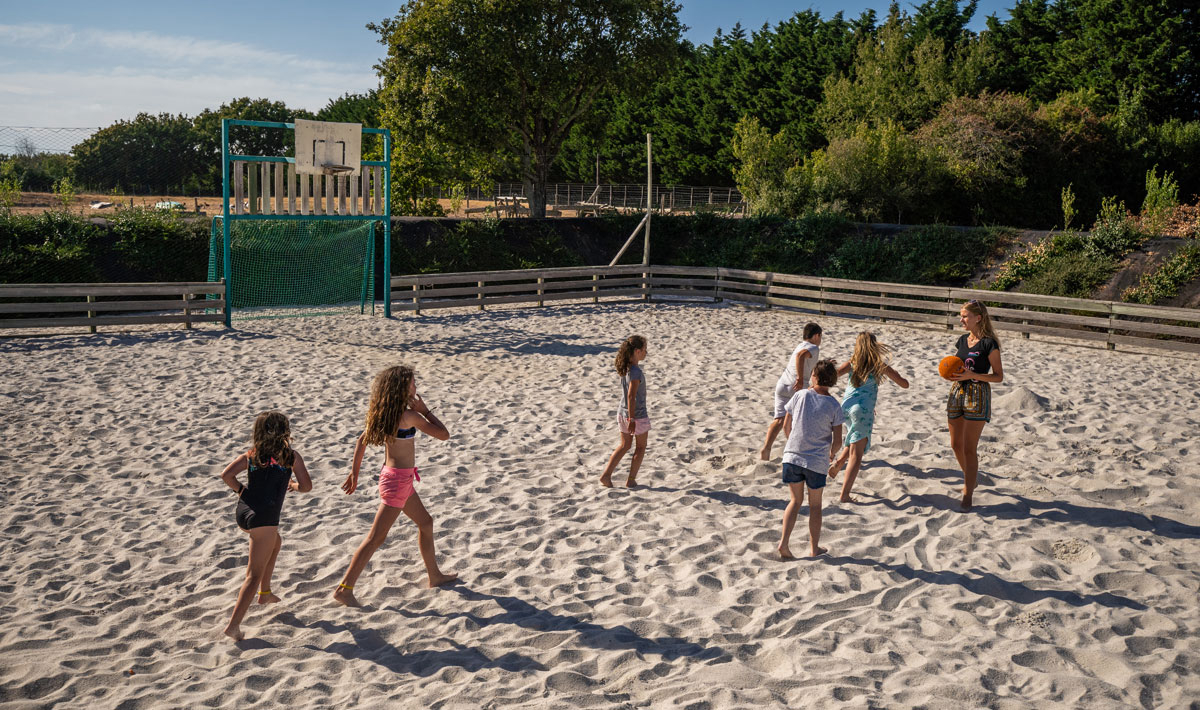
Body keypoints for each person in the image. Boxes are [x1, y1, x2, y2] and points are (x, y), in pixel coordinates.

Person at [333, 365, 456, 607]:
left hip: (397, 478)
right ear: (402, 388)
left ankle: (434, 576)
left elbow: (361, 440)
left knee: (426, 523)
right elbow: (444, 435)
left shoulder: (385, 413)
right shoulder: (410, 416)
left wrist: (354, 473)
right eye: (412, 383)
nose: (416, 386)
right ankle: (344, 589)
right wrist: (425, 411)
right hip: (398, 482)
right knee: (375, 538)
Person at [219, 411, 312, 642]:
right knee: (253, 575)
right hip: (264, 518)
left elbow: (226, 475)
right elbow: (307, 486)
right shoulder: (291, 457)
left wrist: (242, 491)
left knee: (275, 542)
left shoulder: (251, 455)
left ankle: (266, 592)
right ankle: (233, 626)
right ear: (285, 432)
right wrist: (293, 485)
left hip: (244, 513)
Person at [829, 332, 910, 503]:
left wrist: (826, 369)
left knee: (854, 437)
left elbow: (832, 376)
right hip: (863, 410)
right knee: (856, 455)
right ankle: (845, 495)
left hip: (846, 408)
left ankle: (838, 464)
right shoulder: (879, 365)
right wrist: (894, 372)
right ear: (874, 347)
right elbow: (904, 384)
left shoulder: (852, 363)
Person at [778, 359, 844, 559]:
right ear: (833, 381)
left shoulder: (800, 395)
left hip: (792, 457)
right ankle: (814, 548)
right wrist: (831, 454)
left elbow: (786, 426)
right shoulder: (834, 405)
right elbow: (838, 441)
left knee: (795, 501)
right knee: (815, 505)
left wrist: (793, 444)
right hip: (816, 461)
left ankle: (784, 544)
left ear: (814, 376)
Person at [947, 300, 1004, 511]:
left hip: (978, 395)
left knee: (969, 448)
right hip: (957, 392)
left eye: (965, 316)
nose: (961, 320)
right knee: (955, 444)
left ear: (978, 318)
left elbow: (998, 376)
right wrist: (949, 371)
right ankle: (971, 478)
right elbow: (956, 365)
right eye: (960, 316)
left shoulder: (989, 344)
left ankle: (967, 492)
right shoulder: (962, 340)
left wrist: (973, 375)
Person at [760, 322, 823, 460]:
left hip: (782, 385)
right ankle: (799, 451)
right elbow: (800, 357)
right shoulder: (813, 347)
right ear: (816, 336)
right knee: (802, 422)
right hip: (797, 387)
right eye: (820, 337)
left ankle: (766, 448)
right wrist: (800, 378)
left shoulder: (800, 345)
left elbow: (806, 362)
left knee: (779, 420)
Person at [600, 335, 649, 488]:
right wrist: (632, 419)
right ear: (637, 351)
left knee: (625, 445)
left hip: (622, 412)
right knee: (640, 447)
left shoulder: (626, 368)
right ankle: (631, 480)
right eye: (645, 350)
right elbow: (631, 396)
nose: (646, 353)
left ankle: (606, 475)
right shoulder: (635, 372)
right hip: (637, 415)